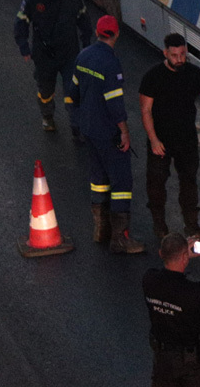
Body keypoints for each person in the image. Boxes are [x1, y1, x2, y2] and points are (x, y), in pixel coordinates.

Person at [140, 34, 200, 240]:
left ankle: (191, 225)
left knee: (189, 184)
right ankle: (159, 225)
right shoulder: (153, 77)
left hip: (187, 141)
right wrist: (154, 140)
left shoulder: (193, 74)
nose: (179, 59)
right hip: (160, 142)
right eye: (174, 55)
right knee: (156, 186)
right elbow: (145, 110)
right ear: (165, 53)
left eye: (182, 54)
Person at [70, 14, 146, 254]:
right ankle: (120, 238)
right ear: (116, 34)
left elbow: (73, 92)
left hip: (89, 129)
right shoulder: (110, 63)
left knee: (98, 178)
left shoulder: (83, 56)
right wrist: (124, 132)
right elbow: (115, 104)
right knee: (121, 181)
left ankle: (100, 230)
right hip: (107, 132)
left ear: (97, 31)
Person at [144, 233, 200, 387]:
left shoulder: (148, 279)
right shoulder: (196, 291)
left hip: (163, 361)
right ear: (185, 257)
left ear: (161, 254)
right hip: (193, 365)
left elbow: (166, 271)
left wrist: (182, 255)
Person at [14, 0, 93, 136]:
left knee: (73, 90)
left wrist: (86, 44)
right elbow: (21, 22)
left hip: (69, 53)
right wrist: (24, 47)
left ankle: (77, 127)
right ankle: (47, 116)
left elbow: (84, 20)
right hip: (44, 56)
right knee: (46, 91)